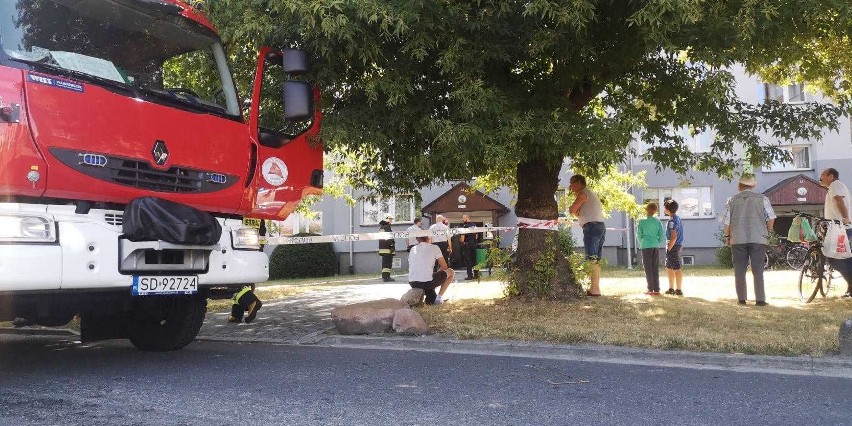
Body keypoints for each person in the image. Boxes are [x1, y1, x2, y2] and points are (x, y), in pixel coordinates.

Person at [722, 174, 776, 306]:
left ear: (739, 186)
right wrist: (768, 232)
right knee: (758, 270)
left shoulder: (731, 200)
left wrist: (727, 237)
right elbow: (771, 218)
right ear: (753, 186)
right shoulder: (763, 199)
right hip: (758, 238)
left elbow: (726, 223)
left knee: (739, 269)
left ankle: (741, 299)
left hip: (738, 238)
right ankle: (760, 299)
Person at [568, 174, 606, 296]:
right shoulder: (590, 193)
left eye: (571, 183)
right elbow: (579, 212)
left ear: (578, 183)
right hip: (599, 226)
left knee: (591, 258)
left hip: (591, 227)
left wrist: (574, 210)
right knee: (596, 259)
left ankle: (594, 289)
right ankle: (596, 288)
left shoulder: (583, 193)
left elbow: (572, 210)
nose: (570, 187)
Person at [819, 167, 852, 298]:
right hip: (841, 227)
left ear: (831, 176)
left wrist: (845, 218)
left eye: (823, 175)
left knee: (834, 258)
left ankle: (851, 283)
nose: (820, 177)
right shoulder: (837, 185)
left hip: (839, 228)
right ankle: (850, 287)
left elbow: (839, 200)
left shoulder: (835, 185)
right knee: (846, 258)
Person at [408, 236, 455, 304]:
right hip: (428, 282)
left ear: (417, 239)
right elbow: (444, 267)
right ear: (429, 238)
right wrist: (438, 274)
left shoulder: (413, 249)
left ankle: (432, 299)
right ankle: (439, 298)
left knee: (431, 299)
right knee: (451, 271)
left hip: (413, 283)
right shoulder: (434, 247)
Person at [637, 202, 665, 295]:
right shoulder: (658, 222)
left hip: (645, 246)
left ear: (646, 210)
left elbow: (639, 235)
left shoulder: (641, 222)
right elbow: (661, 236)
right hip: (655, 246)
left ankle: (650, 289)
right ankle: (657, 289)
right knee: (655, 268)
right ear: (655, 211)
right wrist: (656, 242)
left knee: (648, 268)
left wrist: (643, 242)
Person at [663, 199, 684, 296]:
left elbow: (674, 236)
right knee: (672, 267)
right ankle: (674, 288)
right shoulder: (678, 218)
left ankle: (676, 289)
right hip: (677, 245)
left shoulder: (672, 221)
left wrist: (669, 248)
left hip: (673, 246)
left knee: (674, 268)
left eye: (664, 207)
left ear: (667, 209)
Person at [459, 214, 480, 280]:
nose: (462, 219)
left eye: (463, 218)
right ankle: (476, 275)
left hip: (467, 245)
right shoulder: (474, 225)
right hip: (473, 245)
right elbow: (476, 236)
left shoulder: (465, 226)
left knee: (468, 261)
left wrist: (461, 242)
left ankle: (470, 276)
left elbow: (462, 238)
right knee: (474, 260)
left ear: (467, 218)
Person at [378, 214, 396, 282]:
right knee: (387, 263)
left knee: (385, 263)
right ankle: (386, 277)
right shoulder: (386, 227)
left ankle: (385, 276)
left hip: (384, 248)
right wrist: (391, 246)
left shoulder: (382, 227)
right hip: (387, 249)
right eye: (390, 219)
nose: (391, 221)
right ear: (387, 219)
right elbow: (388, 238)